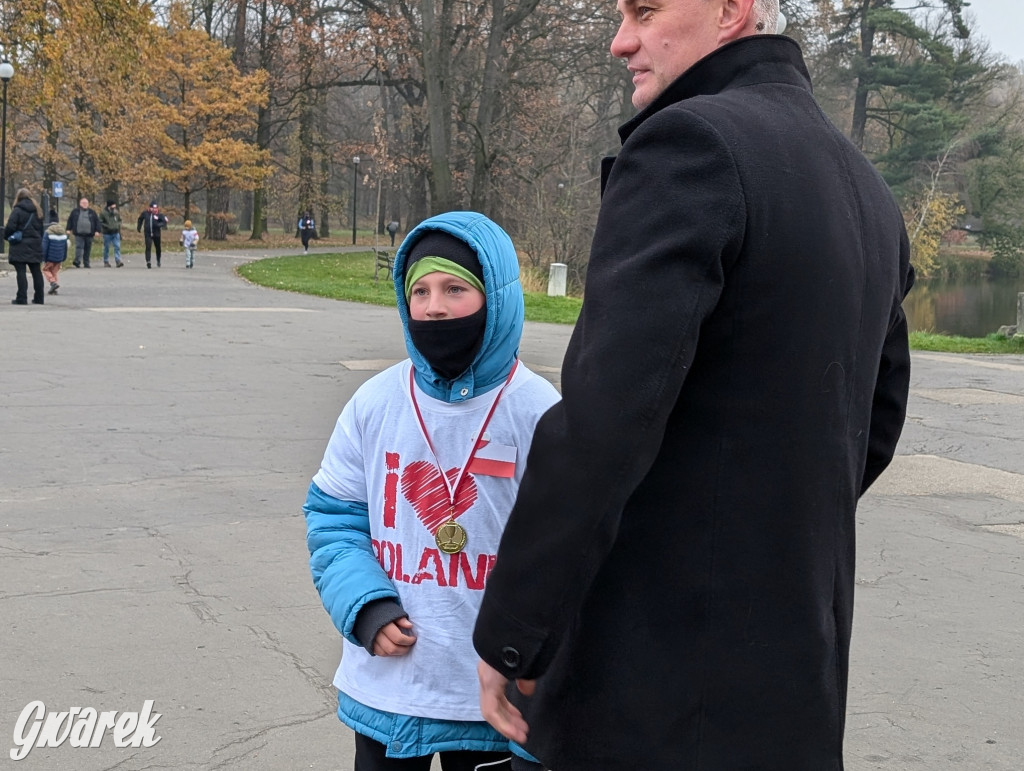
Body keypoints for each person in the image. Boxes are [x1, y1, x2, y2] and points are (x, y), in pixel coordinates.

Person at [472, 1, 916, 769]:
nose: (620, 42)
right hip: (796, 677)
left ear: (731, 11)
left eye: (645, 10)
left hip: (658, 685)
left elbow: (604, 421)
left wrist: (514, 631)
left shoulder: (690, 146)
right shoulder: (865, 186)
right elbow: (875, 417)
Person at [304, 211, 560, 771]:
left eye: (454, 288)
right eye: (419, 290)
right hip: (390, 691)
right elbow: (333, 520)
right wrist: (365, 607)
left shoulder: (540, 411)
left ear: (496, 296)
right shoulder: (374, 403)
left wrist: (537, 653)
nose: (434, 307)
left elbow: (567, 551)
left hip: (495, 699)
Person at [4, 189, 45, 305]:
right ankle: (39, 297)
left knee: (21, 272)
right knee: (36, 271)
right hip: (35, 243)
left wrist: (7, 237)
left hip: (20, 244)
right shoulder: (38, 210)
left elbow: (10, 226)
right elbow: (41, 229)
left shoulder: (17, 210)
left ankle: (22, 297)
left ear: (18, 197)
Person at [66, 197, 100, 268]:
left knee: (87, 248)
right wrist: (68, 229)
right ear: (80, 204)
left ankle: (86, 263)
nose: (85, 204)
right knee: (79, 247)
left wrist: (97, 231)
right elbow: (70, 220)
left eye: (86, 203)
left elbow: (97, 222)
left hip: (89, 234)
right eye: (83, 203)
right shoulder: (75, 212)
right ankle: (77, 261)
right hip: (78, 234)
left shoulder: (92, 212)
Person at [41, 215, 70, 295]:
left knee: (45, 270)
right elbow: (65, 247)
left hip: (50, 257)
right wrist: (63, 257)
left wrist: (43, 257)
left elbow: (44, 246)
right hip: (59, 257)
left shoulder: (48, 233)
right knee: (54, 272)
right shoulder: (63, 234)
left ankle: (53, 283)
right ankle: (54, 288)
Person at [136, 201, 168, 268]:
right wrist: (139, 226)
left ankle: (158, 260)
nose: (154, 209)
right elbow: (140, 219)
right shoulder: (146, 213)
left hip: (156, 234)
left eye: (155, 208)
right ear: (149, 208)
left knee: (158, 247)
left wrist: (159, 224)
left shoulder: (159, 215)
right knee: (148, 247)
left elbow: (164, 222)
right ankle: (148, 261)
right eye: (152, 208)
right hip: (148, 233)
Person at [99, 199, 124, 267]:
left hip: (116, 232)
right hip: (107, 233)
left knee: (117, 246)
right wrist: (107, 226)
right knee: (106, 247)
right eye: (113, 205)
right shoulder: (103, 213)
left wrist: (118, 225)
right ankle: (106, 261)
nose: (114, 207)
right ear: (109, 206)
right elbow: (100, 222)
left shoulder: (116, 212)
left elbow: (119, 220)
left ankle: (118, 260)